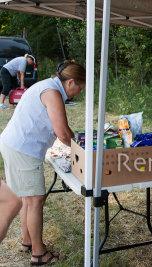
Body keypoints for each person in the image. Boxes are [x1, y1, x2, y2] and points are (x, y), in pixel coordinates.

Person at [0, 60, 85, 265]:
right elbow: (63, 133)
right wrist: (83, 149)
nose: (79, 93)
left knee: (27, 199)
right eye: (79, 88)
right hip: (23, 149)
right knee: (35, 200)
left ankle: (27, 242)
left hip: (14, 145)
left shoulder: (47, 86)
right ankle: (38, 253)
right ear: (71, 81)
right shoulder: (53, 93)